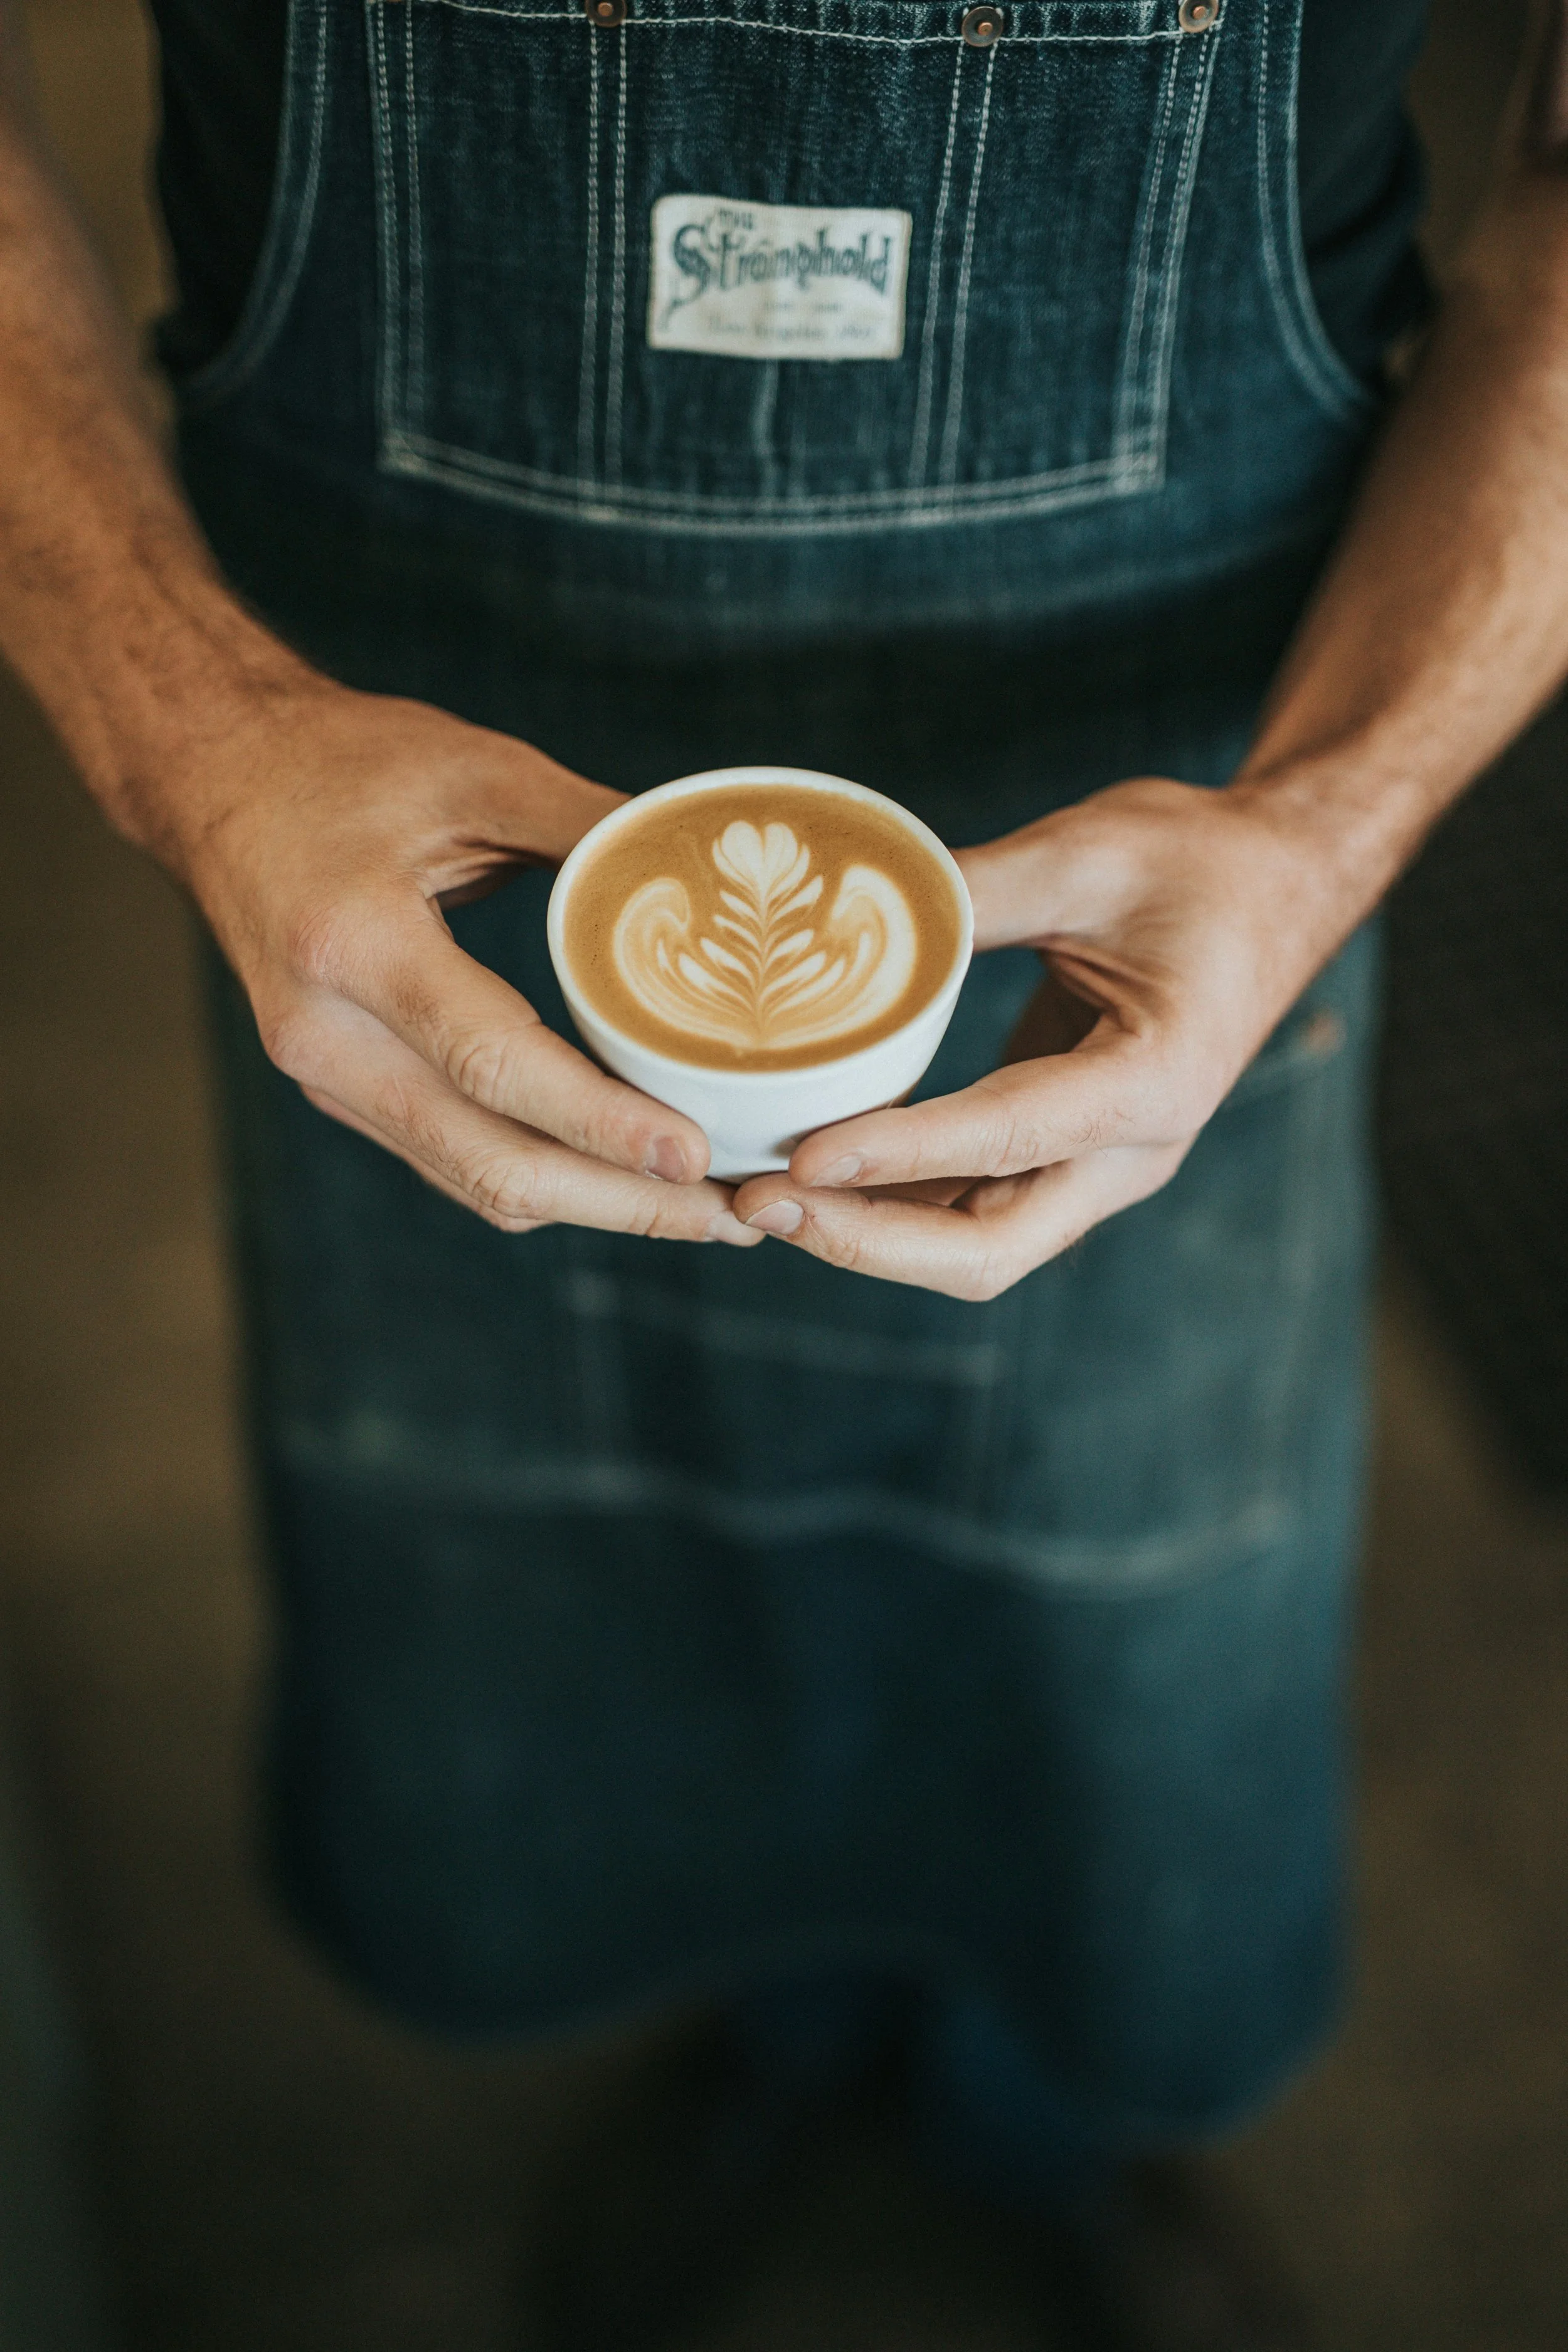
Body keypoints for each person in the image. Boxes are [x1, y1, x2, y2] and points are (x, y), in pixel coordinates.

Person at [3, 0, 1565, 2341]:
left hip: (1178, 775)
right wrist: (177, 716)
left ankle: (1030, 2113)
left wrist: (1329, 816)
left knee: (1100, 1618)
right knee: (562, 1561)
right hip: (374, 783)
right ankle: (768, 2033)